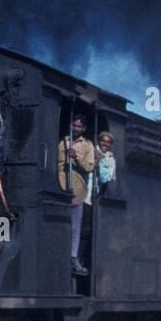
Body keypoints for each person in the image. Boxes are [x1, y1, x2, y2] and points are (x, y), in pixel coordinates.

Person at [57, 116, 96, 276]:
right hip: (59, 185)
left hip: (77, 189)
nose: (76, 128)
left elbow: (89, 167)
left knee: (75, 228)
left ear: (84, 128)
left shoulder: (88, 145)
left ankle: (73, 257)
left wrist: (76, 157)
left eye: (79, 126)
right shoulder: (63, 142)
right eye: (74, 125)